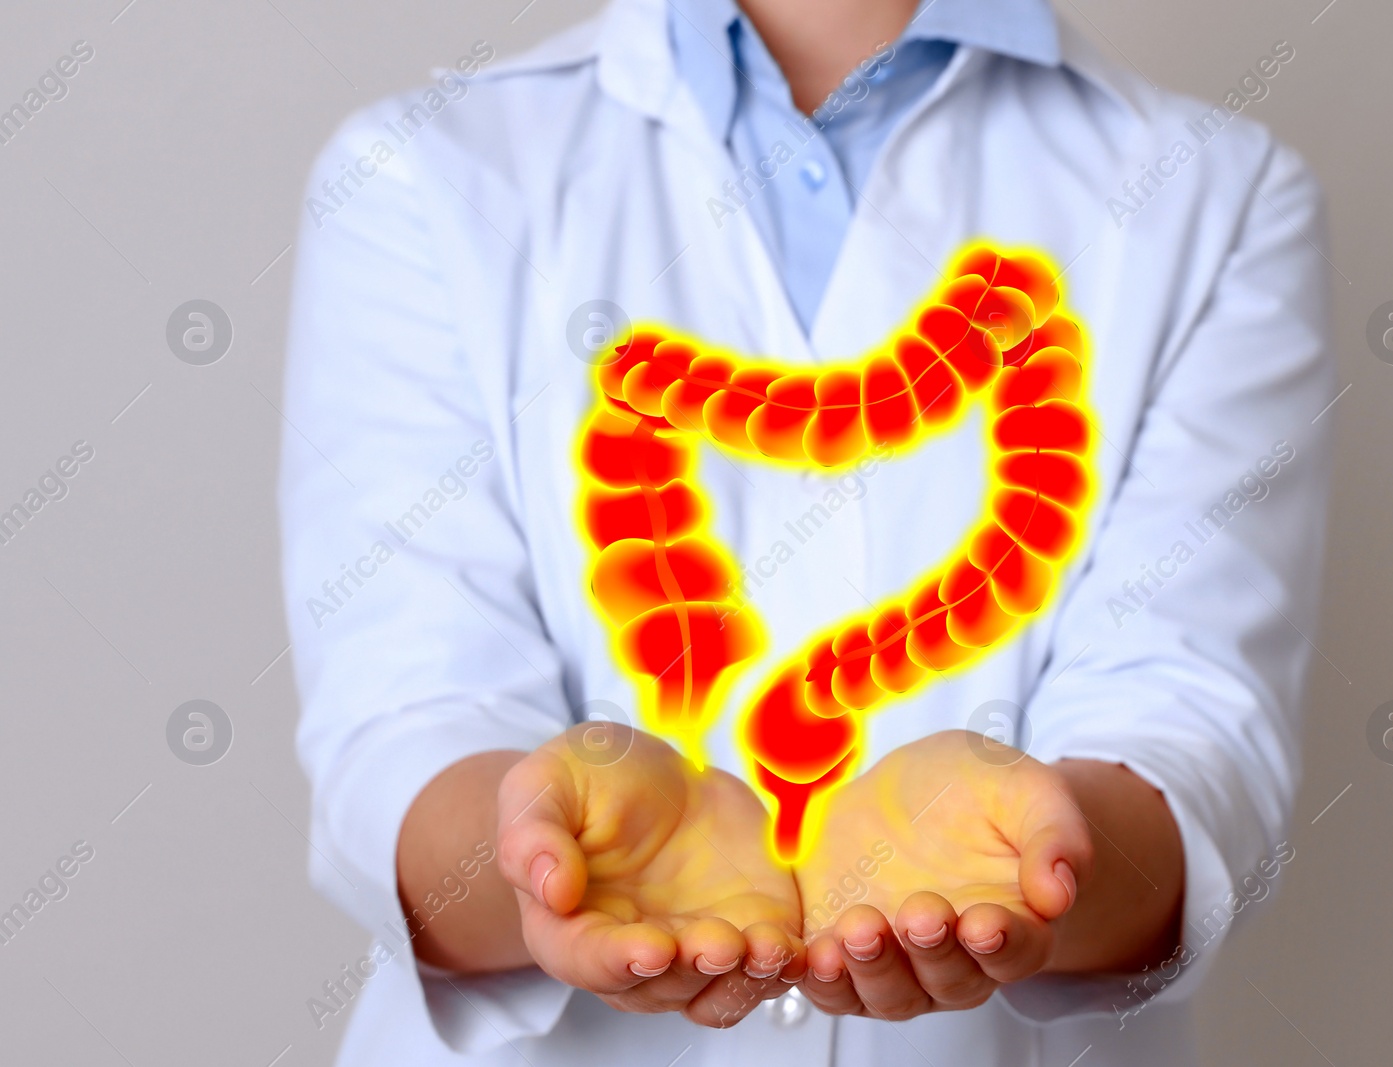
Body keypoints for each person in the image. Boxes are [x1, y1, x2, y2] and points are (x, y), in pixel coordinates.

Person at [278, 0, 1332, 1062]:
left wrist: (1042, 853)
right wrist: (546, 850)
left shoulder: (1217, 193)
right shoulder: (421, 172)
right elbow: (405, 724)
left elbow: (1192, 731)